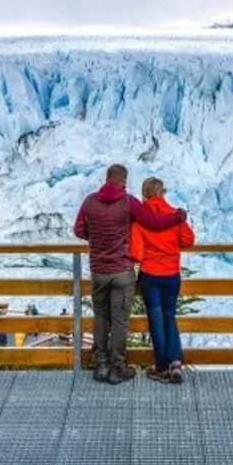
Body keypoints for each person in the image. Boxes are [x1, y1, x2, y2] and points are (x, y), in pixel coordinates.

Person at [74, 163, 187, 385]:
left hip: (98, 270)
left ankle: (100, 365)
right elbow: (154, 222)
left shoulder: (89, 201)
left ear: (106, 179)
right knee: (119, 321)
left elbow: (78, 229)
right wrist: (177, 217)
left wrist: (97, 240)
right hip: (123, 271)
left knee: (101, 317)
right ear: (124, 181)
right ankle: (117, 367)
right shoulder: (128, 202)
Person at [131, 177, 195, 384]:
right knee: (170, 316)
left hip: (150, 275)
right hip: (171, 275)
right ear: (163, 193)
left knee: (156, 320)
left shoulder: (141, 219)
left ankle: (161, 367)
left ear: (145, 194)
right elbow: (188, 240)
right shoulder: (175, 216)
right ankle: (176, 363)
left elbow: (136, 253)